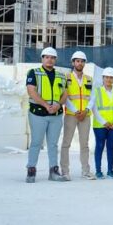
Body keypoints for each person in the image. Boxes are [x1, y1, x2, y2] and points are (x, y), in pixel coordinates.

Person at [25, 47, 68, 183]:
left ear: (55, 59)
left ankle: (54, 171)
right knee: (36, 142)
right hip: (38, 113)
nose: (50, 60)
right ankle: (31, 170)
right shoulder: (34, 73)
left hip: (55, 114)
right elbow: (31, 91)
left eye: (52, 57)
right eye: (47, 57)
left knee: (53, 144)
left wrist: (58, 105)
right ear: (42, 58)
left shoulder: (61, 75)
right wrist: (45, 105)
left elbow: (65, 94)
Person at [60, 50, 92, 180]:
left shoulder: (89, 79)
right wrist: (76, 111)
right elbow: (64, 97)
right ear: (73, 62)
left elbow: (92, 97)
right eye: (77, 61)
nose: (80, 63)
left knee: (84, 144)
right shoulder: (66, 78)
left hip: (85, 115)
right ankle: (65, 171)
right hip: (71, 114)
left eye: (82, 61)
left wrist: (85, 110)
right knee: (66, 143)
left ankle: (85, 171)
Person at [88, 67, 113, 179]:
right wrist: (104, 122)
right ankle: (98, 171)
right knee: (99, 146)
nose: (109, 79)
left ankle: (110, 171)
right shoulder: (97, 91)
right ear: (103, 78)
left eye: (111, 77)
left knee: (111, 147)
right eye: (107, 77)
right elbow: (94, 108)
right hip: (100, 125)